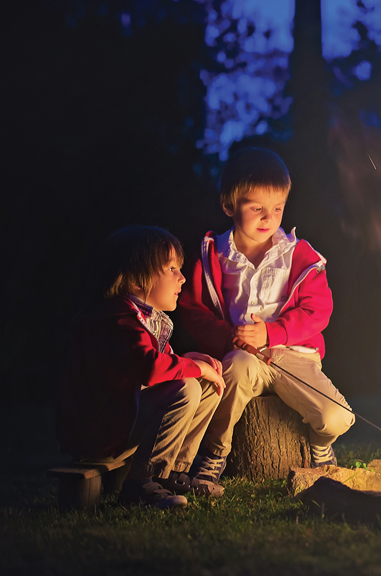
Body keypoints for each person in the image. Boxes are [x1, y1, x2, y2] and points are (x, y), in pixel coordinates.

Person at [179, 147, 354, 489]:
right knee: (235, 369)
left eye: (276, 208)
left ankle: (321, 449)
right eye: (256, 208)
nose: (268, 218)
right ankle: (214, 455)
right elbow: (192, 309)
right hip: (242, 355)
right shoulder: (213, 254)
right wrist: (227, 336)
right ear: (229, 206)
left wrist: (273, 333)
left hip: (293, 356)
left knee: (337, 418)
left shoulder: (297, 255)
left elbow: (318, 311)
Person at [57, 226, 227, 509]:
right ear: (138, 279)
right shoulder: (117, 319)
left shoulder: (144, 318)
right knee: (185, 387)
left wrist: (194, 361)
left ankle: (173, 472)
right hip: (101, 432)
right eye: (172, 269)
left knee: (206, 384)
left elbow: (163, 360)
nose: (182, 278)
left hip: (124, 416)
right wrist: (193, 367)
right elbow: (151, 368)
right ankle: (141, 481)